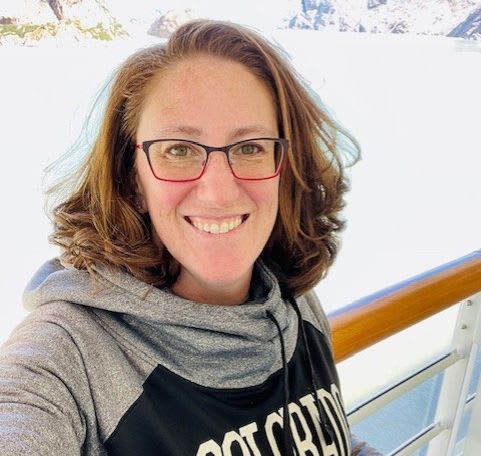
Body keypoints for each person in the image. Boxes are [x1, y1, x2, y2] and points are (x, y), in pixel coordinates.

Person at [0, 19, 381, 455]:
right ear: (133, 179)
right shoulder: (67, 356)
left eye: (251, 147)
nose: (219, 193)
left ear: (286, 168)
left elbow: (325, 440)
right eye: (178, 150)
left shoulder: (292, 298)